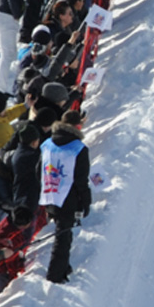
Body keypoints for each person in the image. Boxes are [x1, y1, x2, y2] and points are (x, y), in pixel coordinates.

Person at [39, 112, 92, 284]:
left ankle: (63, 267)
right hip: (69, 200)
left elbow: (38, 170)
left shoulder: (46, 144)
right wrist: (85, 202)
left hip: (50, 194)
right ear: (77, 126)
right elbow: (81, 181)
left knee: (64, 233)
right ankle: (55, 275)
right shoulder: (79, 148)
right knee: (62, 237)